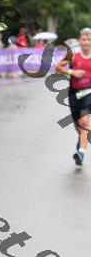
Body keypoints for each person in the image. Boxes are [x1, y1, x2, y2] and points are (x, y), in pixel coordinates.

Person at [56, 27, 91, 165]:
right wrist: (72, 72)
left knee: (84, 122)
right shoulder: (73, 54)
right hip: (74, 92)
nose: (86, 42)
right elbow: (58, 67)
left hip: (89, 92)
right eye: (84, 39)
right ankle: (81, 139)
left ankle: (81, 153)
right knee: (77, 124)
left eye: (89, 39)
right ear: (79, 40)